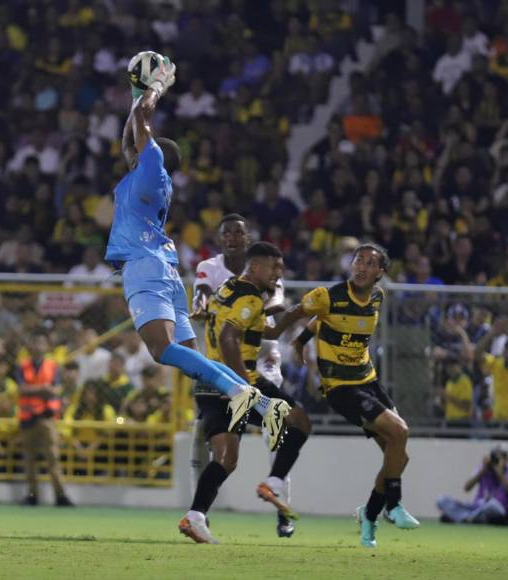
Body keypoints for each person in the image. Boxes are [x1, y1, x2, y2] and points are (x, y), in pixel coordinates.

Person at [104, 52, 290, 447]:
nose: (132, 149)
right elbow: (128, 138)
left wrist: (155, 86)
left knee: (161, 349)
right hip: (165, 269)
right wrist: (133, 91)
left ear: (153, 152)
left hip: (144, 265)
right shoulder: (147, 176)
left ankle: (244, 394)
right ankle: (261, 406)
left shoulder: (151, 163)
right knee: (197, 362)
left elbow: (140, 125)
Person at [269, 243, 419, 548]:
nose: (361, 267)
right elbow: (301, 311)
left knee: (398, 456)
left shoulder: (377, 297)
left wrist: (303, 340)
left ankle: (369, 515)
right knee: (400, 432)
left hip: (369, 381)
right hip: (341, 387)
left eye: (369, 263)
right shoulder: (329, 295)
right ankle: (394, 504)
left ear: (380, 272)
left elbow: (322, 321)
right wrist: (278, 337)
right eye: (357, 261)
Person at [179, 242, 311, 544]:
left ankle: (195, 516)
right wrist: (244, 386)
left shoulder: (228, 288)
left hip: (209, 383)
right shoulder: (250, 296)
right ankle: (274, 482)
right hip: (238, 381)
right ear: (255, 267)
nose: (279, 274)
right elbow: (229, 337)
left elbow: (268, 331)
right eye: (274, 267)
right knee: (300, 421)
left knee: (226, 458)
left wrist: (298, 311)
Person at [15, 330, 72, 507]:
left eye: (42, 342)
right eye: (36, 342)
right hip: (28, 417)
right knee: (29, 460)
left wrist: (35, 389)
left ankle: (60, 496)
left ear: (47, 346)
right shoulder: (22, 366)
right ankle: (32, 496)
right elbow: (22, 389)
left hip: (47, 417)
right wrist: (43, 389)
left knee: (53, 458)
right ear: (30, 346)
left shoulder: (53, 366)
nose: (39, 346)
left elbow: (55, 390)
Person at [437, 445, 508, 524]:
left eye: (501, 456)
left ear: (507, 459)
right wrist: (483, 470)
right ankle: (469, 518)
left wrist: (500, 473)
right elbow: (467, 488)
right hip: (477, 507)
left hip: (498, 508)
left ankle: (460, 517)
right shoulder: (483, 468)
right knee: (441, 500)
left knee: (493, 505)